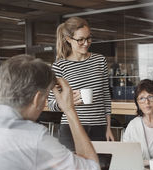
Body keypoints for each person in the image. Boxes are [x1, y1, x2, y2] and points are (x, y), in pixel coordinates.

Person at [48, 16, 114, 151]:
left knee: (100, 169)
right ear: (68, 39)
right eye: (80, 40)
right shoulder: (60, 66)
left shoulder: (100, 61)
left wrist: (108, 127)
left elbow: (105, 97)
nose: (86, 43)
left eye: (89, 38)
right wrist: (69, 102)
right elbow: (51, 104)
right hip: (71, 127)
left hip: (99, 127)